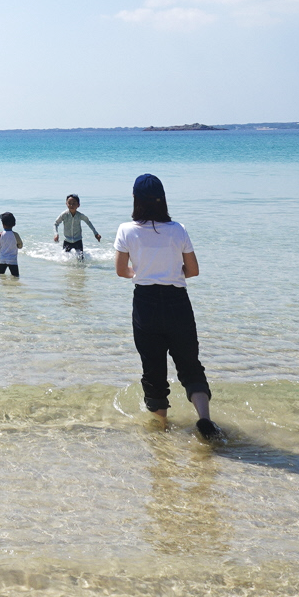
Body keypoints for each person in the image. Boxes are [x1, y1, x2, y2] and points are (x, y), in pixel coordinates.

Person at [113, 174, 223, 441]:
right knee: (190, 365)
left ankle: (162, 431)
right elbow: (193, 271)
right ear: (163, 199)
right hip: (177, 302)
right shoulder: (178, 229)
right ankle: (205, 420)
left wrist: (140, 272)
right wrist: (172, 271)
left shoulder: (126, 230)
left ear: (135, 199)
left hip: (145, 304)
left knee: (153, 370)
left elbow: (120, 271)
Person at [0, 212, 22, 277]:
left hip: (2, 260)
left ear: (2, 224)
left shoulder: (0, 234)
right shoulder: (15, 235)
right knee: (16, 276)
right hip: (13, 260)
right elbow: (20, 246)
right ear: (14, 224)